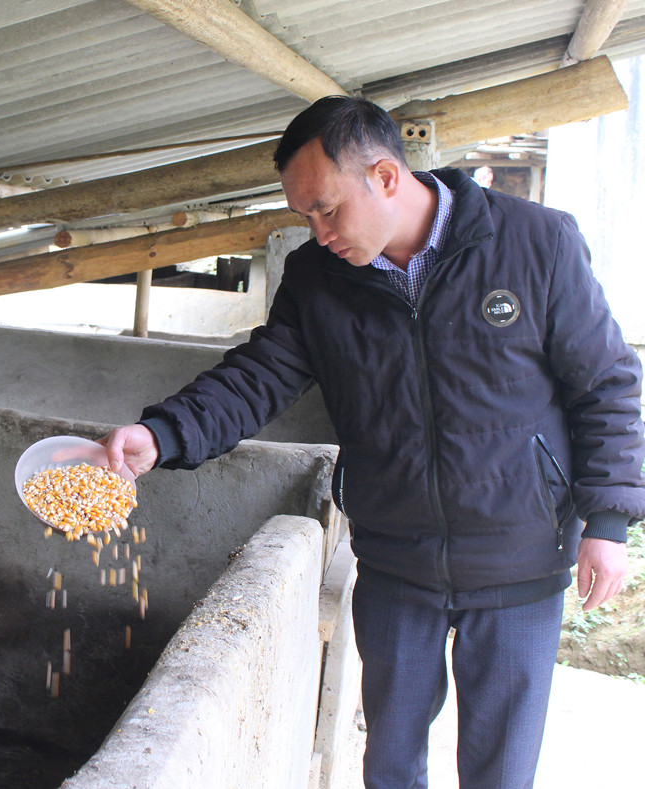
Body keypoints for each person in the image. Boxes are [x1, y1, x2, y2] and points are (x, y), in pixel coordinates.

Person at [100, 96, 645, 789]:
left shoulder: (536, 243)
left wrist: (606, 521)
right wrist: (162, 433)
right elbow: (257, 378)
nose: (318, 230)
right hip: (396, 558)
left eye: (327, 209)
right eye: (305, 216)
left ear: (386, 176)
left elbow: (606, 383)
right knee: (389, 761)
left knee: (502, 770)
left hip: (521, 552)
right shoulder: (319, 280)